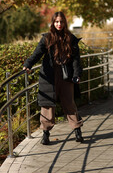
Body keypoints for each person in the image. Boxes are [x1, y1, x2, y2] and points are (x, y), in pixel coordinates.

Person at [23, 11, 83, 145]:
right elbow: (37, 54)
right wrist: (28, 64)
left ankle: (77, 131)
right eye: (56, 22)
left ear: (65, 23)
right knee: (47, 105)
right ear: (53, 23)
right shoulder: (47, 38)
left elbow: (76, 60)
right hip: (49, 76)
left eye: (61, 22)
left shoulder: (71, 38)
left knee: (69, 103)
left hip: (66, 76)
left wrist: (77, 74)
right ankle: (45, 134)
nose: (59, 24)